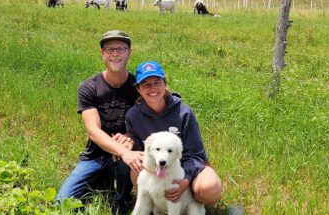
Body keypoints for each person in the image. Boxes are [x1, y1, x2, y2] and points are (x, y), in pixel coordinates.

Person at [56, 30, 143, 215]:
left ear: (130, 52)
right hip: (95, 155)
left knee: (126, 164)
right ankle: (102, 178)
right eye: (110, 49)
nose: (115, 54)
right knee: (61, 204)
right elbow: (93, 131)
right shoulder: (89, 87)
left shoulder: (139, 87)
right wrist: (123, 151)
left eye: (121, 49)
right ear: (102, 53)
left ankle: (122, 199)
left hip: (125, 155)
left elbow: (151, 119)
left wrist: (130, 137)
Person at [125, 61, 222, 205]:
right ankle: (155, 206)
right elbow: (139, 153)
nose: (153, 88)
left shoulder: (184, 112)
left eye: (157, 82)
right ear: (138, 89)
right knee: (136, 170)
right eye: (146, 84)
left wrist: (185, 179)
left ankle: (190, 202)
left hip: (188, 167)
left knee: (210, 189)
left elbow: (195, 154)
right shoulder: (133, 116)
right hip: (159, 168)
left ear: (165, 84)